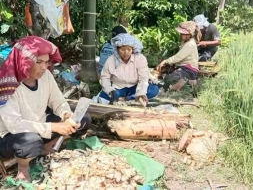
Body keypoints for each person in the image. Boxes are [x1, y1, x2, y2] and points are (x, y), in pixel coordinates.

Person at [0, 36, 92, 182]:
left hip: (41, 125)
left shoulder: (46, 76)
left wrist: (67, 115)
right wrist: (55, 127)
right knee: (30, 142)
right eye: (39, 62)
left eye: (46, 62)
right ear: (25, 62)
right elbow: (15, 125)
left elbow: (58, 101)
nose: (44, 67)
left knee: (83, 119)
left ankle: (46, 147)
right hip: (13, 136)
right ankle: (23, 168)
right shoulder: (7, 84)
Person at [99, 33, 159, 104]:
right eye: (123, 49)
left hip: (135, 87)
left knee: (154, 90)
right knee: (104, 96)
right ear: (117, 49)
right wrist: (109, 90)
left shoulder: (140, 59)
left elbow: (143, 78)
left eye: (129, 49)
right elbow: (104, 78)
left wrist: (141, 93)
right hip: (118, 89)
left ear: (133, 49)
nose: (126, 52)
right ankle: (126, 99)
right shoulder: (111, 60)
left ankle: (129, 98)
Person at [157, 21, 201, 91]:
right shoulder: (186, 42)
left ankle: (190, 82)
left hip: (188, 70)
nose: (181, 35)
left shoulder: (189, 44)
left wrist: (165, 61)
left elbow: (178, 58)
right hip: (185, 69)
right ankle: (180, 83)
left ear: (189, 34)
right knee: (167, 77)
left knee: (169, 78)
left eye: (183, 33)